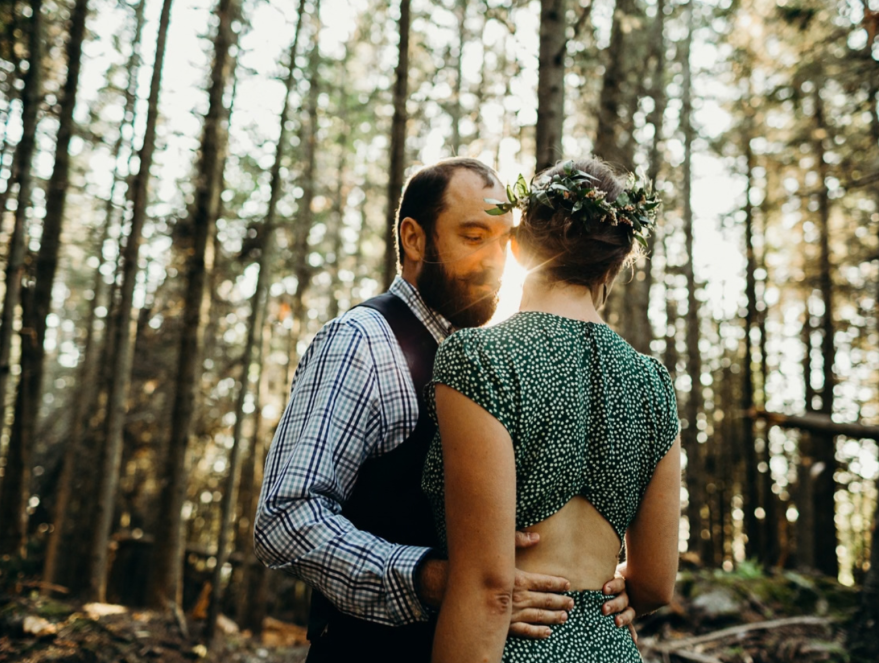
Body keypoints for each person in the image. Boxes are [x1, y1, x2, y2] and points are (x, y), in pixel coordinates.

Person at [254, 157, 638, 663]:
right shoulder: (362, 343)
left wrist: (610, 592)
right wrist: (431, 578)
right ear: (415, 240)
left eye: (505, 242)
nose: (496, 261)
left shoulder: (492, 360)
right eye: (474, 236)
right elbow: (286, 516)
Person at [422, 158, 682, 663]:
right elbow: (654, 583)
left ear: (516, 247)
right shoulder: (652, 383)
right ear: (613, 265)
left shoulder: (479, 358)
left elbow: (490, 589)